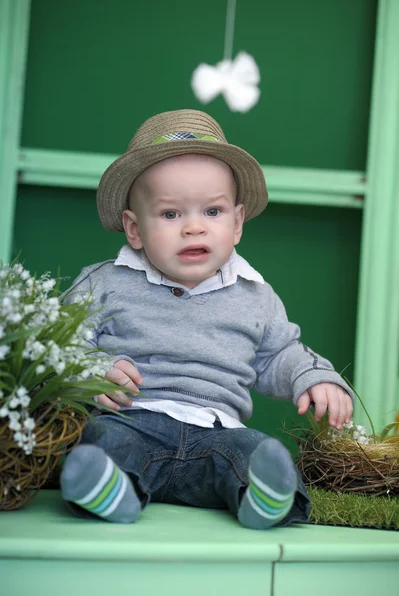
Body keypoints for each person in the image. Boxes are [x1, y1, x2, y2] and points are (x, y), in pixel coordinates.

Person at [60, 109, 354, 529]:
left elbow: (279, 354)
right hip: (131, 421)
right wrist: (91, 369)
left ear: (236, 224)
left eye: (212, 213)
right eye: (170, 214)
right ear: (134, 229)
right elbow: (59, 345)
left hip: (216, 435)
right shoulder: (105, 283)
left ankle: (262, 499)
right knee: (100, 441)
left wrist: (315, 378)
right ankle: (109, 491)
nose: (193, 228)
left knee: (255, 451)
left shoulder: (255, 295)